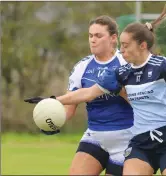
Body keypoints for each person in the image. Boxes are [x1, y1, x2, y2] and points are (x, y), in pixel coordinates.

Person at [26, 5, 166, 175]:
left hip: (148, 137)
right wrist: (52, 101)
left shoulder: (147, 64)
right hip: (118, 138)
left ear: (140, 45)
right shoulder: (111, 70)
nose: (121, 50)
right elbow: (88, 93)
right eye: (90, 35)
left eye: (125, 45)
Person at [25, 15, 134, 176]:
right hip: (95, 136)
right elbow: (70, 107)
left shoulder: (126, 64)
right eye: (90, 36)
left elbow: (140, 103)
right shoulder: (82, 67)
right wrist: (53, 122)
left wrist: (121, 90)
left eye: (98, 36)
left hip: (125, 139)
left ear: (113, 38)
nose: (93, 40)